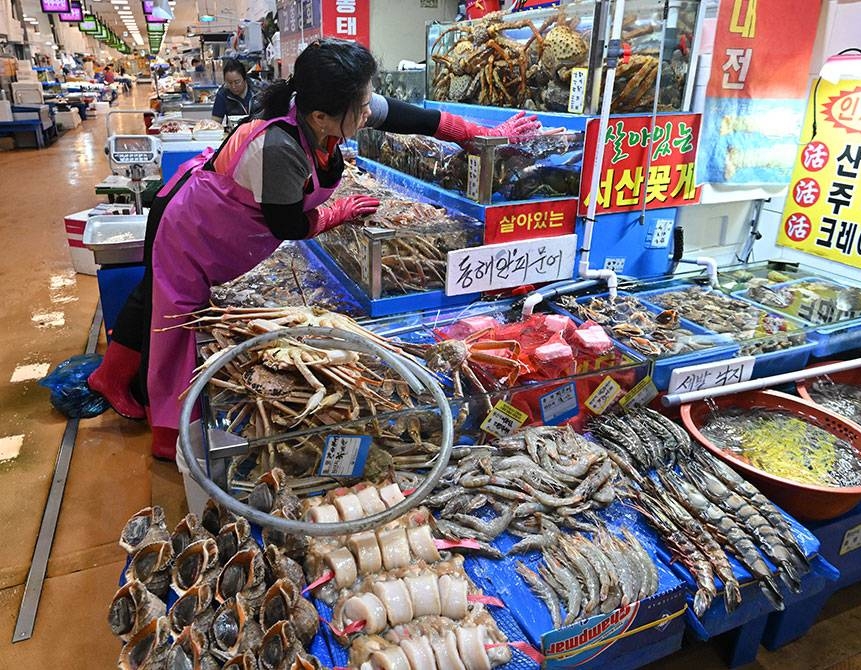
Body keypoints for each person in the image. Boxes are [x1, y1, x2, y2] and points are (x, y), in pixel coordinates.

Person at [86, 39, 540, 460]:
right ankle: (172, 435)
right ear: (321, 117)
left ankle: (109, 375)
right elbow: (287, 223)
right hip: (192, 226)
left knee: (154, 296)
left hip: (220, 223)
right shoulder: (280, 147)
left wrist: (478, 134)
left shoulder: (327, 105)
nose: (368, 112)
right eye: (361, 107)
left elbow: (406, 116)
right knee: (175, 319)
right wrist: (337, 213)